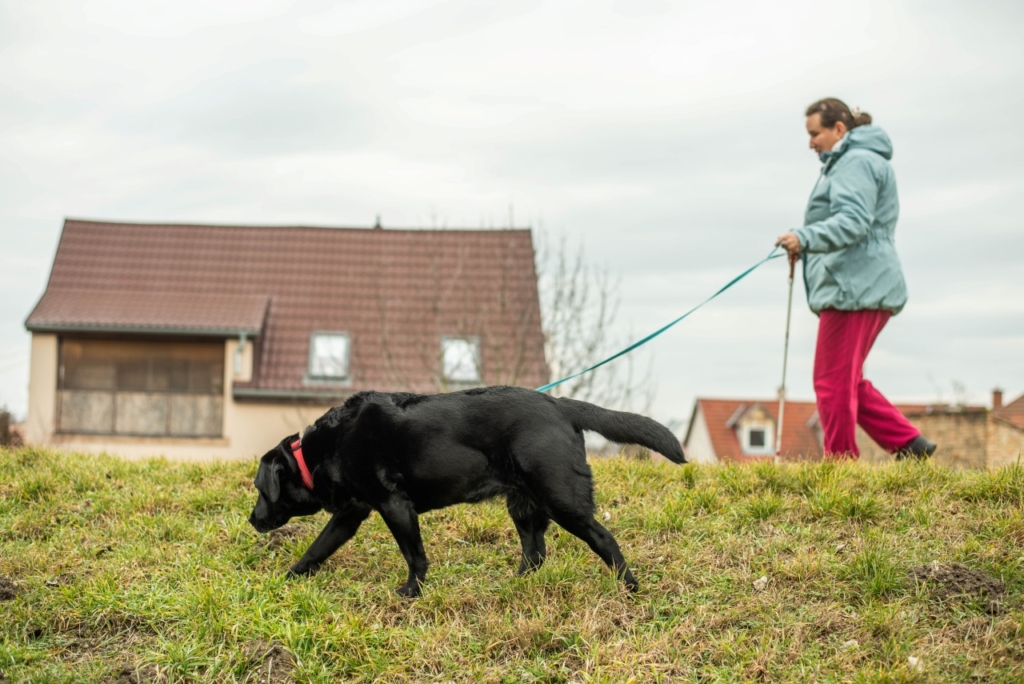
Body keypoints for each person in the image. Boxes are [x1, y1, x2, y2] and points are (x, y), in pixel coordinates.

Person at [775, 97, 936, 461]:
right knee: (847, 380)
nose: (810, 142)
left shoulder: (855, 162)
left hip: (854, 288)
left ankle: (841, 465)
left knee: (831, 381)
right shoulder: (855, 161)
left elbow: (854, 221)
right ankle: (910, 444)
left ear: (839, 129)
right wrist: (808, 240)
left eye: (815, 133)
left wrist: (806, 237)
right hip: (862, 283)